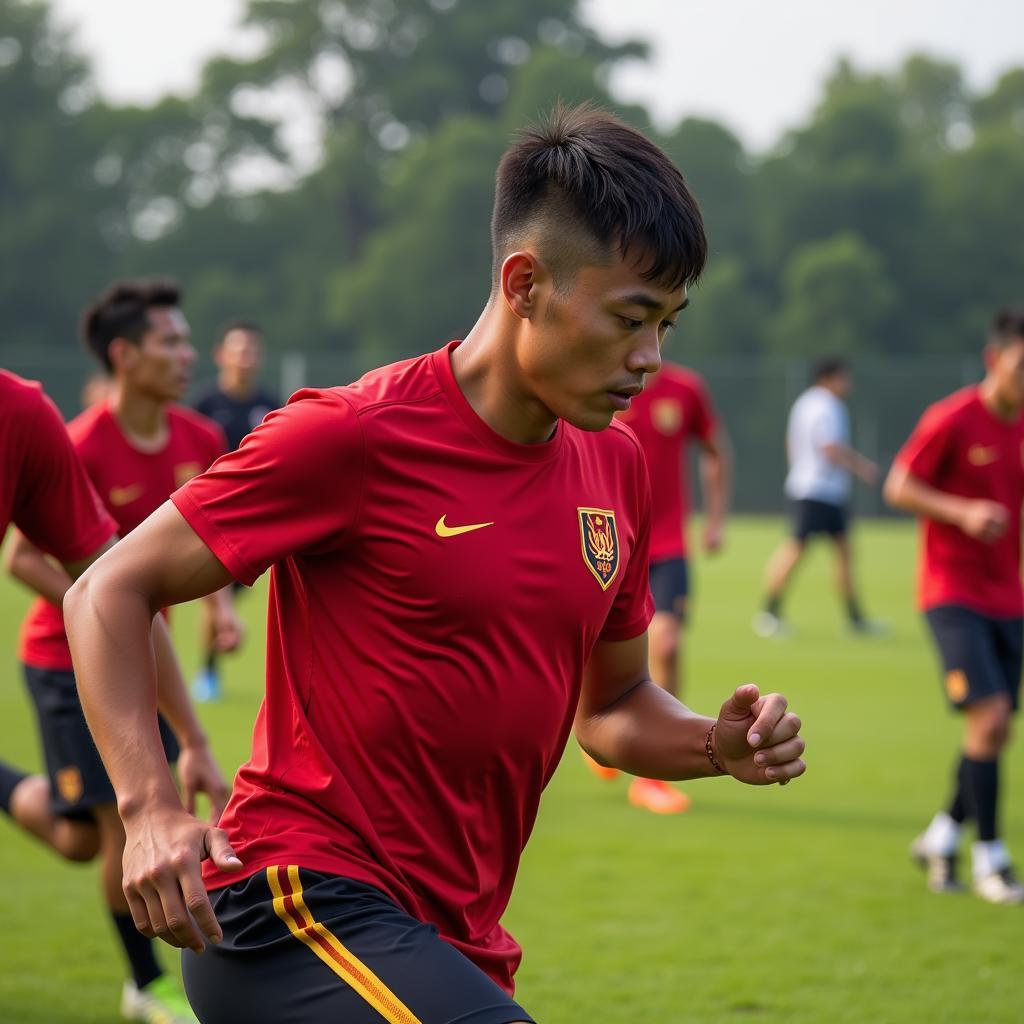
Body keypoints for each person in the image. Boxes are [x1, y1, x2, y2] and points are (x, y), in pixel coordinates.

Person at [64, 106, 806, 1024]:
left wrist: (715, 746)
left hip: (446, 941)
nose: (650, 358)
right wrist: (147, 809)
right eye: (631, 318)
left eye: (668, 325)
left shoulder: (616, 467)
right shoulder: (353, 434)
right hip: (293, 905)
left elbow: (610, 708)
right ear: (525, 281)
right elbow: (107, 587)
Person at [2, 280, 239, 1024]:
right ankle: (146, 982)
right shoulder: (78, 440)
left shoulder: (197, 440)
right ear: (123, 355)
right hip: (62, 661)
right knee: (114, 822)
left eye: (185, 339)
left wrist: (220, 610)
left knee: (78, 840)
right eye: (170, 341)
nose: (186, 354)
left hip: (135, 651)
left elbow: (207, 549)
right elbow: (25, 561)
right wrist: (89, 606)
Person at [884, 307, 1024, 905]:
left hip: (1008, 597)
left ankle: (942, 837)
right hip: (951, 594)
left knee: (989, 733)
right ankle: (992, 858)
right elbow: (898, 485)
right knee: (989, 721)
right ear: (995, 360)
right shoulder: (953, 418)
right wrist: (962, 512)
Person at [587, 361, 731, 815]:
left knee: (666, 645)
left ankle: (651, 776)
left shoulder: (687, 389)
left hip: (666, 545)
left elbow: (714, 449)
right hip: (605, 539)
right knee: (582, 647)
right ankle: (600, 730)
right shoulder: (600, 380)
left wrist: (715, 519)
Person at [753, 356, 881, 637]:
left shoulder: (805, 403)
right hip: (819, 491)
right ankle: (768, 613)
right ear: (829, 378)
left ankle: (855, 618)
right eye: (844, 377)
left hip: (816, 489)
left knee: (844, 552)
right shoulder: (827, 405)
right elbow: (830, 447)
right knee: (796, 549)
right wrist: (863, 468)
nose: (848, 384)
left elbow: (791, 442)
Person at [189, 320, 280, 701]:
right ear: (220, 355)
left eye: (252, 350)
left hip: (257, 523)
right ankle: (207, 673)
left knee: (226, 598)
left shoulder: (272, 406)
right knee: (215, 594)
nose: (245, 357)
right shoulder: (203, 405)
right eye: (238, 349)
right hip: (210, 517)